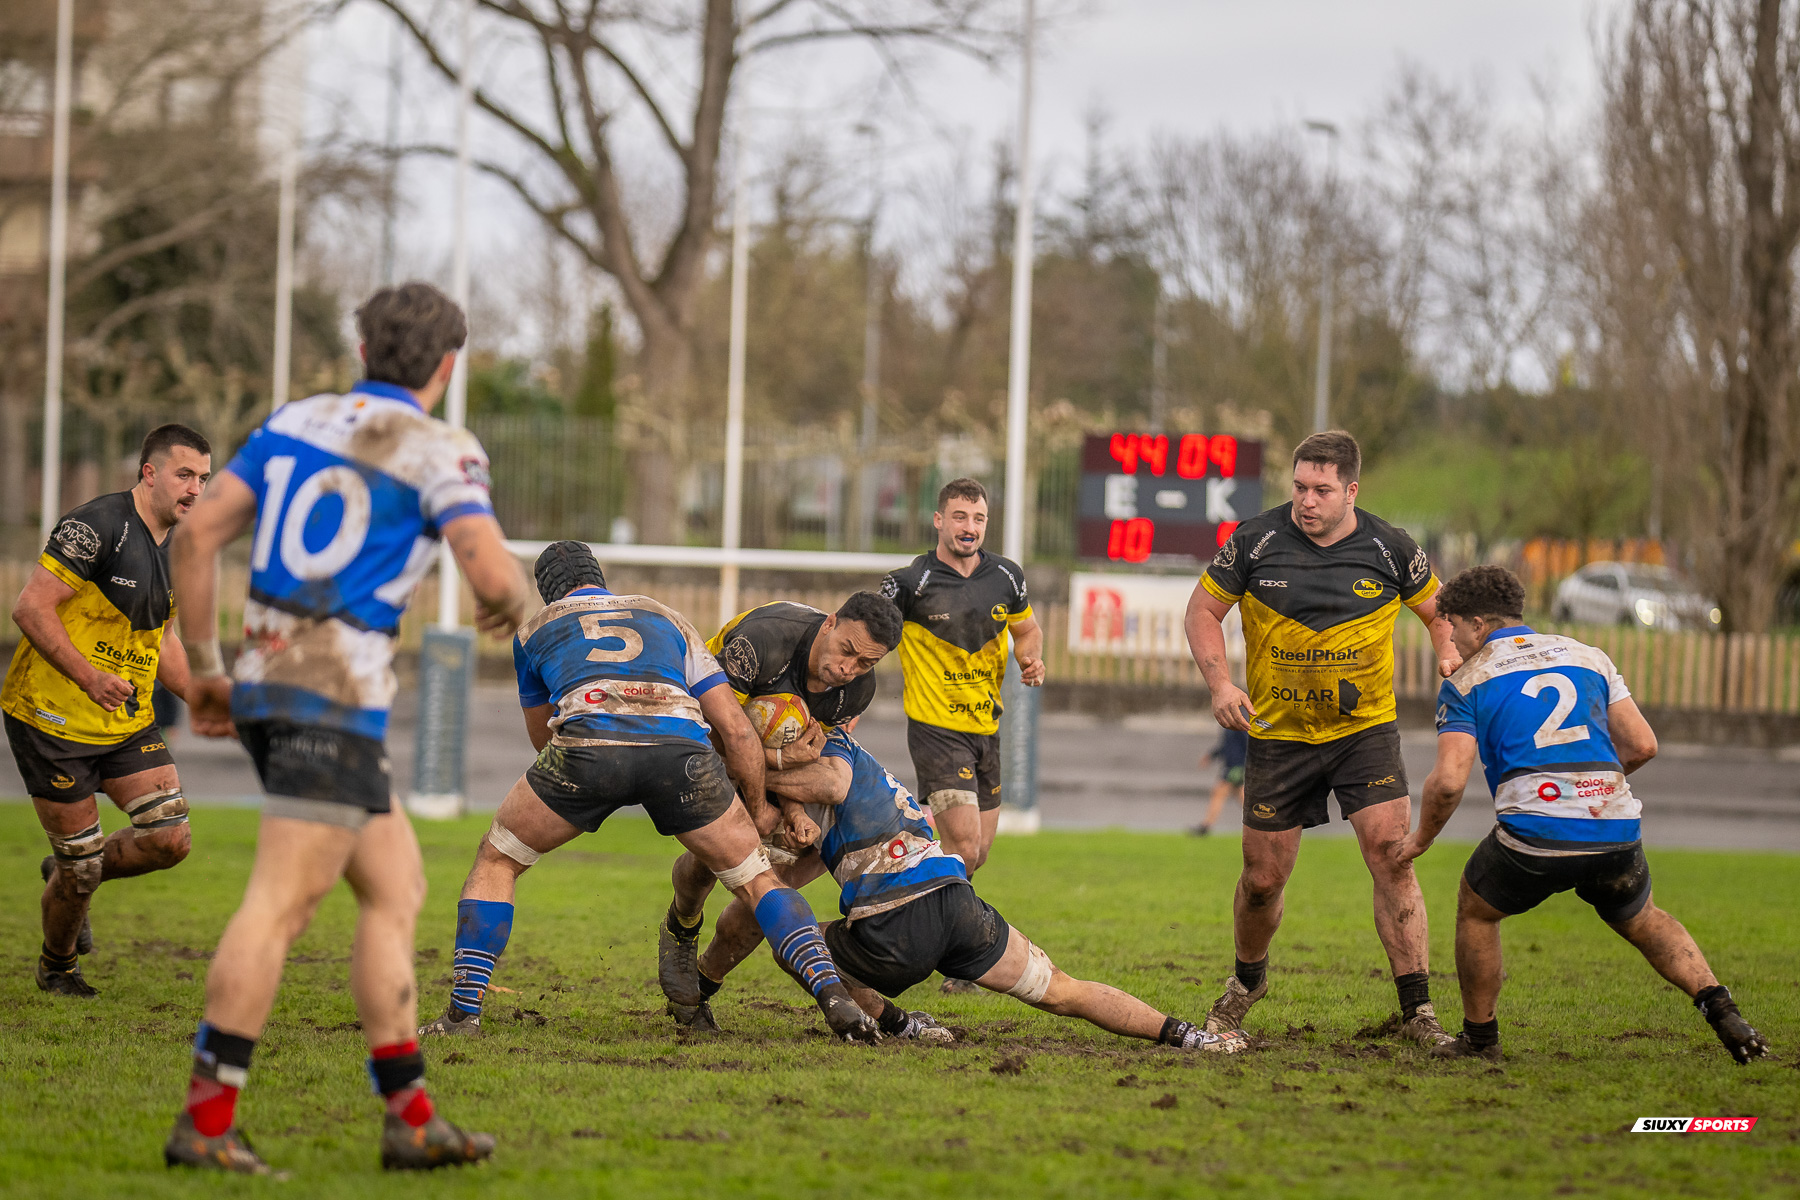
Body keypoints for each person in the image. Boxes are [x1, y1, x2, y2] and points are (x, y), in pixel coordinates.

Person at [163, 282, 536, 1174]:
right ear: (448, 365)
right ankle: (205, 1124)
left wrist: (210, 675)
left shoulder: (296, 419)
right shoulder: (441, 446)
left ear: (364, 349)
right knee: (280, 904)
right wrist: (513, 599)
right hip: (328, 697)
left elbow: (197, 536)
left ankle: (409, 1118)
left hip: (268, 683)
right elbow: (485, 566)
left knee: (396, 886)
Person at [417, 542, 881, 1048]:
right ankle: (833, 996)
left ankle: (463, 1014)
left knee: (498, 858)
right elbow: (739, 733)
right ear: (602, 579)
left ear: (547, 593)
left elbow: (541, 739)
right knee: (758, 881)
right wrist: (758, 810)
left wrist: (591, 784)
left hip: (589, 749)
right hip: (681, 753)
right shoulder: (666, 616)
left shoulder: (535, 630)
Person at [1400, 565, 1771, 1065]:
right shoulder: (1588, 656)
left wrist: (1419, 839)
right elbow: (1642, 744)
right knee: (1642, 917)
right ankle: (1721, 1007)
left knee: (1477, 908)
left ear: (1479, 624)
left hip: (1536, 834)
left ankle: (1479, 1041)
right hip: (1614, 825)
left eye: (1455, 628)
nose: (1453, 640)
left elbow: (1447, 783)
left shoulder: (1469, 680)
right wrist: (1593, 787)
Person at [1184, 430, 1460, 1045]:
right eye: (1300, 487)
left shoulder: (1392, 547)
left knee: (1392, 856)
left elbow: (1440, 610)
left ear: (1351, 491)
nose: (1307, 500)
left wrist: (1448, 655)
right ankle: (1246, 980)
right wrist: (1221, 686)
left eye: (1322, 490)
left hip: (1364, 733)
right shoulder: (1254, 541)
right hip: (1278, 734)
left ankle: (1418, 1010)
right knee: (1262, 880)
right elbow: (1202, 612)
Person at [756, 725, 1250, 1054]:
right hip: (954, 898)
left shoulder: (824, 764)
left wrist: (751, 763)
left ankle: (898, 1024)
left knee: (794, 943)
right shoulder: (859, 758)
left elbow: (808, 791)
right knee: (1061, 989)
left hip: (896, 921)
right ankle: (1189, 1037)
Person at [4, 424, 210, 994]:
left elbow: (162, 640)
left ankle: (66, 872)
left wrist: (211, 700)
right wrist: (90, 677)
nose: (194, 489)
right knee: (85, 866)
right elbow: (30, 607)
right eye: (184, 474)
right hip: (51, 717)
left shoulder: (179, 546)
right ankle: (58, 966)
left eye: (203, 478)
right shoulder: (96, 525)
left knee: (170, 840)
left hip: (123, 720)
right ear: (149, 473)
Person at [656, 592, 902, 1029]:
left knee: (768, 868)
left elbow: (802, 754)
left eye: (865, 663)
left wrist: (792, 812)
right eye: (847, 651)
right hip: (694, 727)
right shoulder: (761, 643)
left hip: (763, 759)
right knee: (716, 851)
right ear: (830, 623)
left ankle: (702, 983)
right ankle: (682, 923)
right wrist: (767, 784)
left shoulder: (855, 692)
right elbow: (718, 732)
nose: (849, 669)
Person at [880, 478, 1042, 994]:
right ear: (938, 521)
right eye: (959, 517)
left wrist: (1031, 657)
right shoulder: (911, 581)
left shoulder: (1007, 577)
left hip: (985, 730)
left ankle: (912, 896)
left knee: (976, 854)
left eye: (978, 519)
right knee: (965, 845)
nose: (969, 528)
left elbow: (1028, 630)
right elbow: (865, 632)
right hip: (935, 730)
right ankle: (941, 950)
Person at [1194, 728, 1247, 837]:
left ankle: (1206, 826)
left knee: (1219, 793)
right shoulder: (1229, 721)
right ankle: (1261, 823)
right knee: (1242, 798)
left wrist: (1244, 765)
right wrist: (1211, 755)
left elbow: (1248, 744)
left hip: (1236, 767)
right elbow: (1226, 745)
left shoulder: (1241, 720)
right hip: (1232, 765)